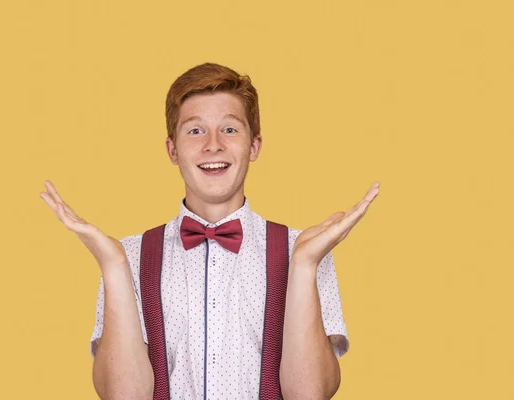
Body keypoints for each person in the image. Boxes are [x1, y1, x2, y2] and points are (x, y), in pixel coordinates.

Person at [40, 62, 380, 400]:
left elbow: (308, 395)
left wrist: (304, 265)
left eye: (230, 130)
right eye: (195, 131)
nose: (213, 145)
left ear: (254, 146)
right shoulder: (127, 255)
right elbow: (124, 396)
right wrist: (113, 266)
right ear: (173, 150)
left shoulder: (305, 249)